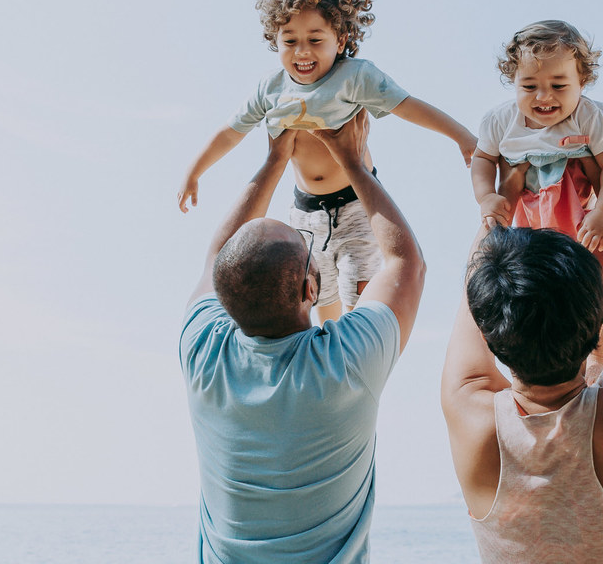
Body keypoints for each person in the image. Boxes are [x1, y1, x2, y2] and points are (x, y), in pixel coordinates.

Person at [180, 0, 474, 325]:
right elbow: (231, 132)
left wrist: (461, 137)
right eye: (290, 42)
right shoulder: (271, 90)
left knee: (360, 296)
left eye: (316, 40)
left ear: (342, 40)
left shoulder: (354, 78)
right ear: (276, 41)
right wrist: (195, 171)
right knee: (320, 299)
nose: (303, 52)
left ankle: (357, 360)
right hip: (305, 212)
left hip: (356, 204)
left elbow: (409, 105)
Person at [180, 112, 425, 563]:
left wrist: (275, 160)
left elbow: (217, 256)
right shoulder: (345, 362)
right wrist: (352, 161)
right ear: (312, 290)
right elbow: (405, 262)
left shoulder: (202, 351)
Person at [440, 209, 603, 564]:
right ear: (599, 319)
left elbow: (472, 300)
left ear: (490, 338)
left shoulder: (470, 414)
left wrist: (499, 200)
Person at [470, 19, 603, 376]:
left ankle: (599, 358)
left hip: (581, 217)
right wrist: (486, 197)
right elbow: (482, 159)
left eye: (559, 85)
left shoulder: (590, 117)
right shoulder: (500, 122)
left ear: (582, 82)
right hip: (527, 223)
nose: (544, 97)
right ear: (513, 81)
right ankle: (523, 362)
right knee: (525, 291)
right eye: (529, 86)